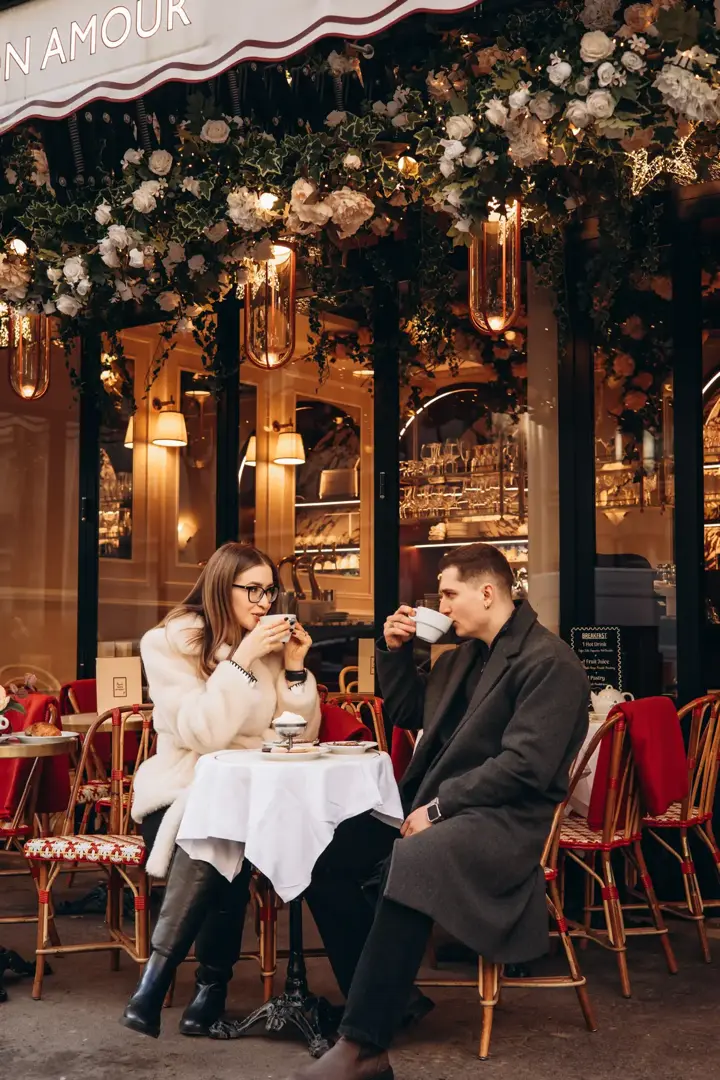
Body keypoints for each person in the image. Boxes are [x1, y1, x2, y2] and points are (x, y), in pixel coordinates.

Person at [287, 543, 590, 1080]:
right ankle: (387, 999)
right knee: (324, 852)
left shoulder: (551, 663)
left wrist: (441, 808)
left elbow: (523, 767)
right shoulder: (464, 658)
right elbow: (406, 711)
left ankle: (363, 1046)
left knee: (417, 857)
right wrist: (395, 650)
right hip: (439, 810)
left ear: (488, 592)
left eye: (449, 593)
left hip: (504, 821)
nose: (442, 606)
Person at [122, 542, 321, 1039]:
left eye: (269, 590)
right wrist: (244, 659)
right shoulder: (170, 643)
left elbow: (299, 731)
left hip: (249, 793)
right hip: (179, 792)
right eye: (251, 589)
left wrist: (294, 668)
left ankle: (159, 985)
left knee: (226, 829)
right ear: (219, 587)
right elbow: (203, 733)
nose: (263, 601)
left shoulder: (270, 647)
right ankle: (207, 989)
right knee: (219, 834)